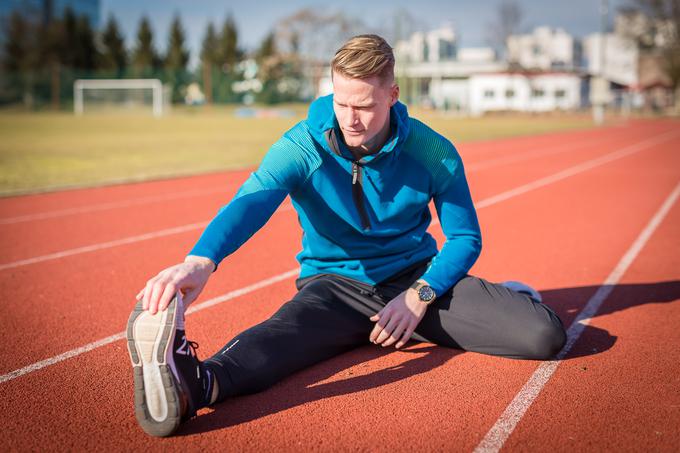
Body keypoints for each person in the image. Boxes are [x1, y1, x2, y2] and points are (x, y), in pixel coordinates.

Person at [126, 34, 567, 437]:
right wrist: (202, 259)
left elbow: (465, 238)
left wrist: (419, 296)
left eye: (365, 106)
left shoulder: (434, 152)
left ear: (393, 96)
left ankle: (502, 298)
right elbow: (253, 198)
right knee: (281, 340)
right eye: (342, 103)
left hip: (413, 276)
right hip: (333, 286)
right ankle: (193, 384)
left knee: (542, 337)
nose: (351, 120)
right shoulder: (302, 144)